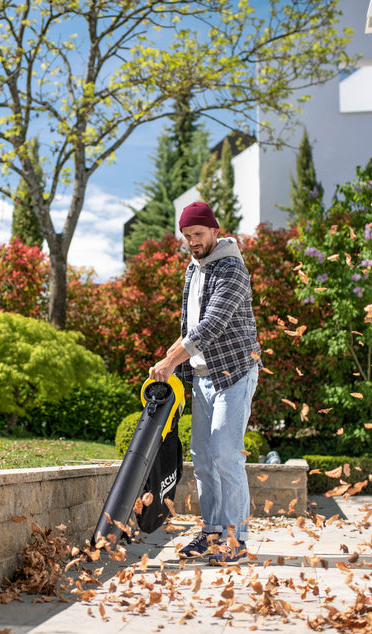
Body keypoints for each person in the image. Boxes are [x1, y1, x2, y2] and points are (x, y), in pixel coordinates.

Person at [149, 201, 261, 565]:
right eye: (186, 236)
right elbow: (190, 326)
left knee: (226, 454)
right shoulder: (192, 270)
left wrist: (171, 360)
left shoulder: (231, 268)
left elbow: (212, 325)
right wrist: (173, 359)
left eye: (197, 233)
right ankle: (212, 533)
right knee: (203, 459)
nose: (192, 241)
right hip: (202, 376)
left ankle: (236, 541)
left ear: (214, 230)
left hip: (234, 372)